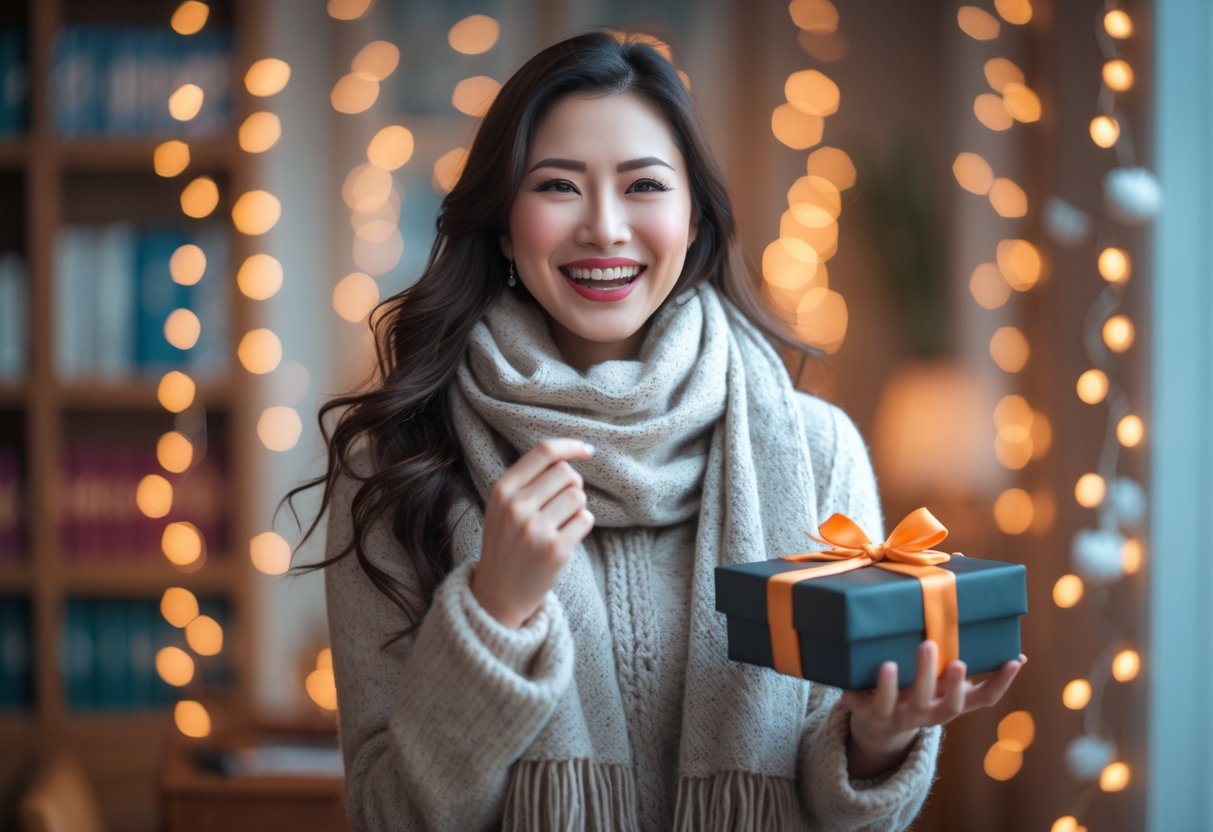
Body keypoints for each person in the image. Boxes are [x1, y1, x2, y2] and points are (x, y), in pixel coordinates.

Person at [294, 30, 1025, 832]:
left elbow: (844, 812)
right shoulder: (394, 464)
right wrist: (492, 613)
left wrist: (879, 739)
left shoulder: (817, 451)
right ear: (504, 226)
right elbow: (389, 814)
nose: (604, 228)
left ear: (693, 220)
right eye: (557, 187)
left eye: (643, 185)